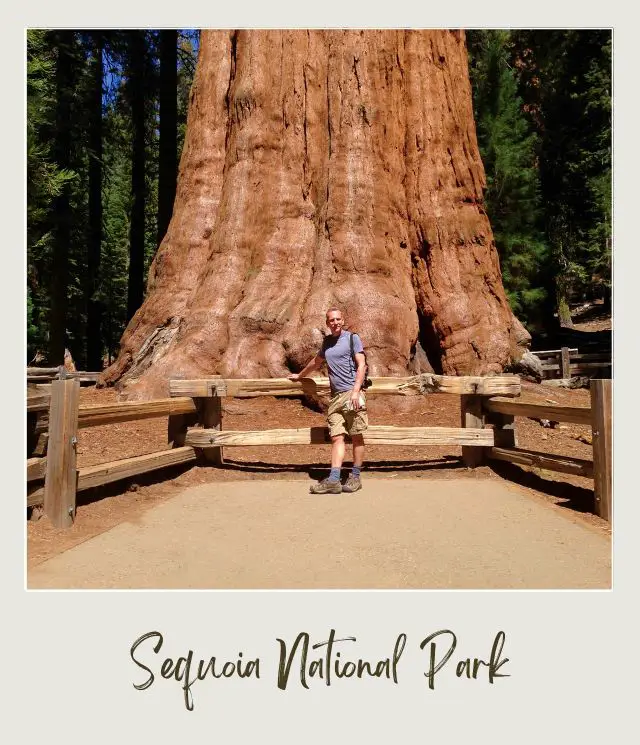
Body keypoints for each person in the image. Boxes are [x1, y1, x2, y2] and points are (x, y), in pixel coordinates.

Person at [288, 308, 368, 493]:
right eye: (332, 320)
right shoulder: (327, 342)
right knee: (337, 436)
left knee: (356, 436)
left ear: (343, 320)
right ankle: (333, 479)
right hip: (336, 397)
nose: (336, 322)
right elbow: (316, 362)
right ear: (327, 323)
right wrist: (300, 375)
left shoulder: (352, 338)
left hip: (351, 394)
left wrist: (356, 392)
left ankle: (355, 476)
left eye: (338, 319)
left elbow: (361, 364)